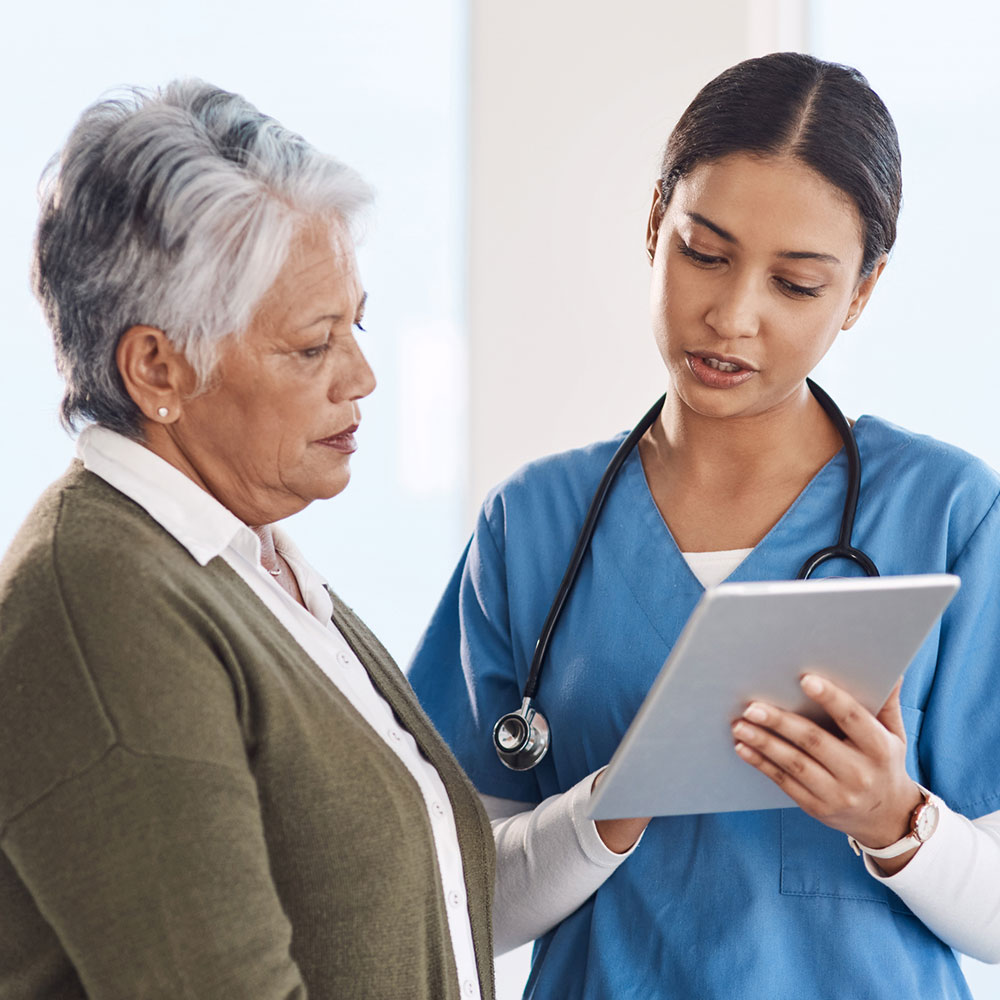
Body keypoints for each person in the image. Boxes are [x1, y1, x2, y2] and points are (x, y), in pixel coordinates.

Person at [409, 52, 1000, 998]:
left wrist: (895, 820)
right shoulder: (535, 524)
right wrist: (601, 813)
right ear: (655, 224)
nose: (732, 317)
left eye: (797, 285)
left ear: (862, 291)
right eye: (705, 253)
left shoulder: (949, 513)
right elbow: (448, 894)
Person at [0, 81, 494, 999]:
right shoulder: (103, 602)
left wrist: (617, 810)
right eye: (312, 346)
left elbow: (423, 904)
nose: (363, 376)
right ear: (158, 367)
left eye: (358, 324)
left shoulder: (251, 566)